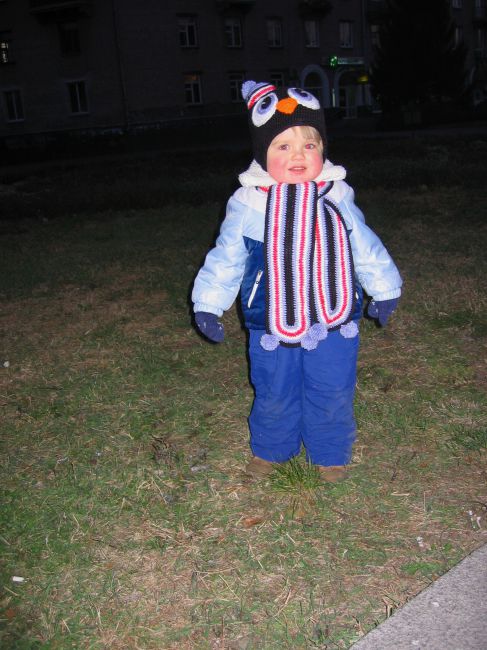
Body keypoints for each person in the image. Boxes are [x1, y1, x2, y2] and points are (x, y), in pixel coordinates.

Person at [192, 80, 402, 482]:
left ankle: (329, 452)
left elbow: (365, 244)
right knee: (274, 386)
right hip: (270, 319)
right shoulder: (248, 203)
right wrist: (208, 303)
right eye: (283, 146)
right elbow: (226, 257)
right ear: (262, 154)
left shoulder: (336, 194)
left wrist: (384, 287)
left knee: (332, 386)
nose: (299, 155)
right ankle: (272, 449)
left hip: (333, 317)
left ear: (323, 149)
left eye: (310, 144)